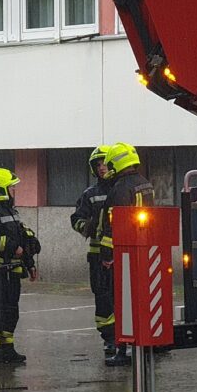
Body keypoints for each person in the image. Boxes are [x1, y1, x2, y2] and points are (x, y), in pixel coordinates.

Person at [99, 142, 155, 366]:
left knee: (122, 303)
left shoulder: (121, 188)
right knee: (143, 301)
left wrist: (107, 254)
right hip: (144, 251)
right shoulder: (144, 183)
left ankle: (122, 350)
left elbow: (115, 225)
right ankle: (146, 345)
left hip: (124, 254)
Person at [0, 168, 40, 366]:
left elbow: (20, 238)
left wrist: (30, 263)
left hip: (12, 270)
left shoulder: (10, 211)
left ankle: (6, 348)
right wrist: (14, 248)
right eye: (11, 187)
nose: (14, 190)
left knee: (11, 311)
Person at [70, 145, 116, 358]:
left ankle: (126, 336)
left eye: (105, 163)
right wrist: (87, 227)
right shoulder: (90, 194)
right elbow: (76, 219)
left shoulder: (122, 189)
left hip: (121, 255)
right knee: (103, 298)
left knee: (123, 297)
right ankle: (109, 338)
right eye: (98, 165)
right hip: (98, 256)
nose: (102, 168)